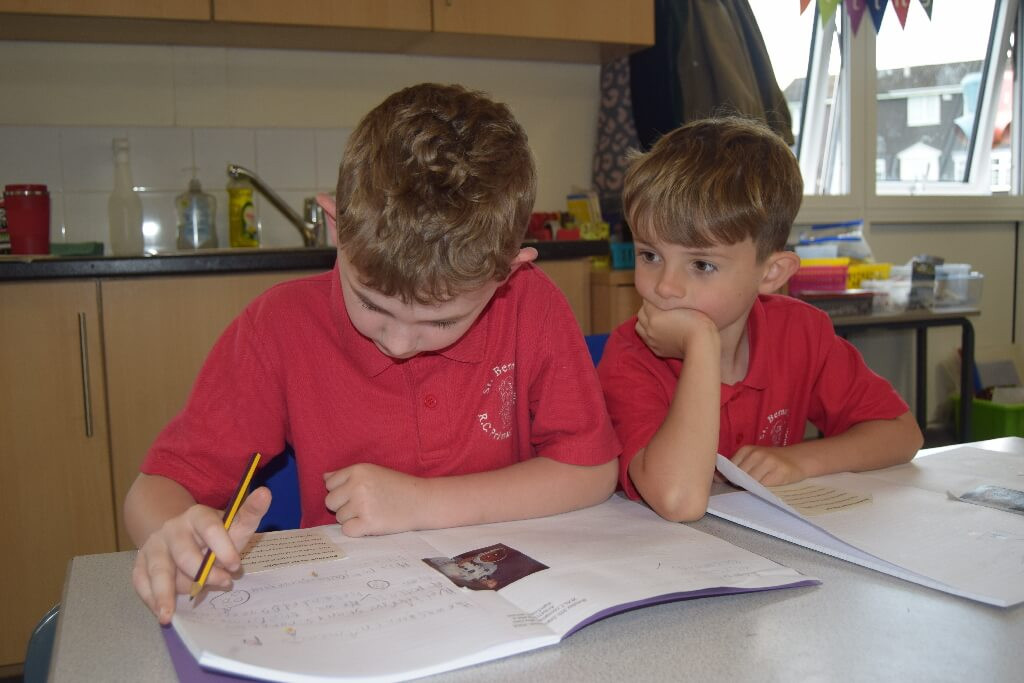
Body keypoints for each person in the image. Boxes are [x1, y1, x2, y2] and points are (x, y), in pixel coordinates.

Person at [125, 83, 621, 623]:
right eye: (372, 304)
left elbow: (591, 471)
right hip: (351, 617)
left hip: (505, 613)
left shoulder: (532, 306)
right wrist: (171, 536)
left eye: (441, 321)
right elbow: (156, 489)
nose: (399, 343)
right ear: (336, 228)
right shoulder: (278, 328)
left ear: (509, 272)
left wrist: (420, 503)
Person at [597, 116, 922, 523]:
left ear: (771, 273)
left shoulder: (800, 332)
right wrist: (701, 345)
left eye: (701, 264)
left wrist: (800, 461)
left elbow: (901, 433)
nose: (665, 286)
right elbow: (678, 500)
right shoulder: (631, 355)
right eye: (650, 255)